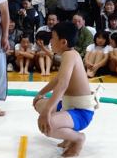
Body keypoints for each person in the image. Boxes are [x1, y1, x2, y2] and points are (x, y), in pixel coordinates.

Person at [33, 22, 99, 157]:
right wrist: (40, 94)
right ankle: (68, 135)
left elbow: (62, 85)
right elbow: (57, 79)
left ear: (63, 42)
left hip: (81, 112)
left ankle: (78, 139)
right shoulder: (68, 54)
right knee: (38, 103)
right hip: (67, 106)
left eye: (53, 38)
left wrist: (47, 112)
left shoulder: (70, 55)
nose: (50, 41)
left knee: (47, 125)